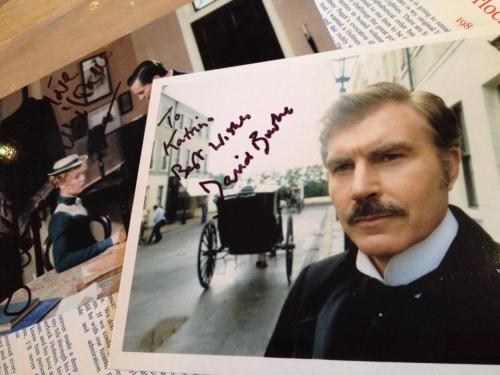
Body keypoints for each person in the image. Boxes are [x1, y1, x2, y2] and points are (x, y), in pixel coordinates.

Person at [265, 82, 500, 363]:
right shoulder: (312, 284)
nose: (360, 188)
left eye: (389, 157)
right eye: (342, 167)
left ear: (449, 168)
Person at [48, 154, 127, 272]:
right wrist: (109, 241)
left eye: (82, 174)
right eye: (77, 177)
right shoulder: (60, 217)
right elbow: (61, 263)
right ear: (61, 184)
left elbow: (86, 243)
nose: (83, 178)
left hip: (91, 263)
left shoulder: (77, 202)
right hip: (79, 272)